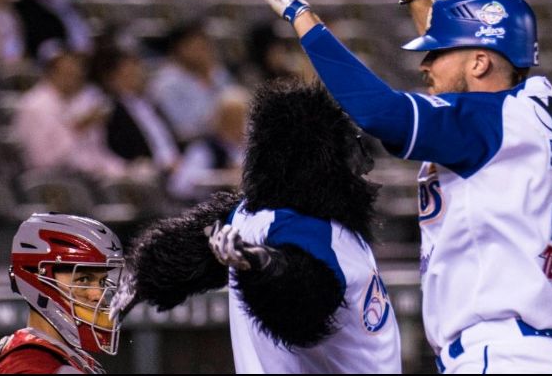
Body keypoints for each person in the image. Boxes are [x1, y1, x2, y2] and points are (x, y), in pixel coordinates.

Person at [231, 0, 552, 374]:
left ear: (479, 62)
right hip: (540, 351)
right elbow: (471, 67)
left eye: (435, 53)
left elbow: (380, 112)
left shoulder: (488, 123)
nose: (424, 65)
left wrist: (302, 18)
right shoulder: (536, 108)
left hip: (501, 354)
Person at [111, 80, 402, 374]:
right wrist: (267, 267)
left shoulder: (244, 215)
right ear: (315, 160)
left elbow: (188, 246)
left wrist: (143, 273)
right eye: (347, 153)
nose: (363, 167)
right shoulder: (313, 231)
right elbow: (304, 295)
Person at [0, 213, 124, 374]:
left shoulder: (61, 357)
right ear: (38, 279)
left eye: (101, 282)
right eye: (83, 279)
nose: (98, 294)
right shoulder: (31, 367)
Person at [12, 51, 127, 179]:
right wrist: (79, 127)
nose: (75, 80)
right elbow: (42, 161)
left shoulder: (81, 103)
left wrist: (124, 169)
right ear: (52, 74)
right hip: (55, 180)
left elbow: (96, 153)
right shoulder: (34, 106)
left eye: (78, 75)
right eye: (69, 74)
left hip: (91, 175)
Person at [147, 22, 236, 145]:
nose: (202, 52)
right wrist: (214, 123)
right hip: (190, 145)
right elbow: (179, 130)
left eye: (204, 46)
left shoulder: (217, 73)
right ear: (178, 49)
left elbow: (237, 108)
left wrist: (209, 81)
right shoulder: (166, 83)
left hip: (227, 142)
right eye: (196, 46)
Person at [167, 86, 249, 203]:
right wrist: (225, 177)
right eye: (230, 118)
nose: (235, 124)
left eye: (239, 118)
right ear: (218, 119)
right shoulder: (204, 149)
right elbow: (180, 185)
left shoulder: (251, 147)